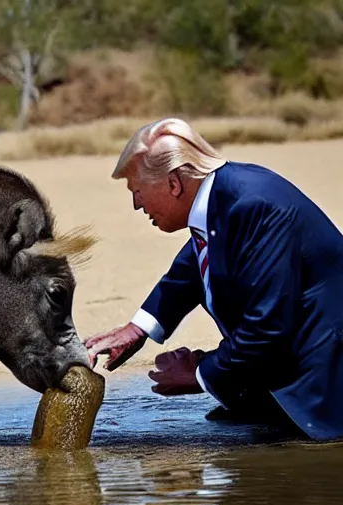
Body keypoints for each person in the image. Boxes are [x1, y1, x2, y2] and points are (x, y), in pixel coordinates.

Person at [85, 117, 343, 441]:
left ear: (173, 184)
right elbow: (191, 267)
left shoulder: (254, 205)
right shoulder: (222, 197)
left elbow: (267, 325)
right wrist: (138, 330)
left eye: (137, 191)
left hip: (327, 388)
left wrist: (198, 375)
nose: (136, 204)